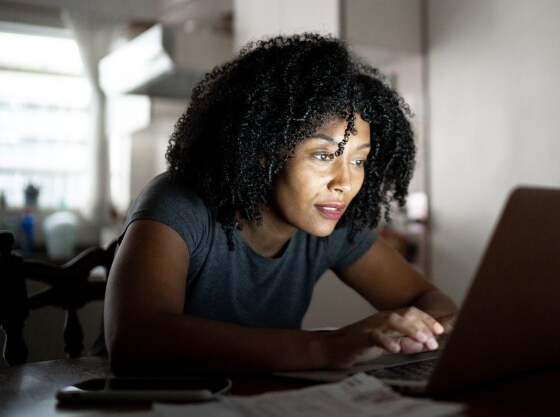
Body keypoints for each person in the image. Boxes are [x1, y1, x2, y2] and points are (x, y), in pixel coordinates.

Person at [101, 33, 457, 376]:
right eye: (322, 155)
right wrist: (327, 348)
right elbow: (134, 342)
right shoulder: (178, 203)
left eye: (358, 161)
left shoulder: (329, 223)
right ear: (261, 151)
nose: (345, 183)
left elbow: (426, 296)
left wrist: (432, 331)